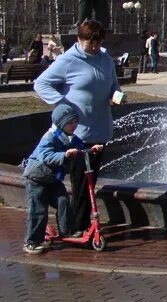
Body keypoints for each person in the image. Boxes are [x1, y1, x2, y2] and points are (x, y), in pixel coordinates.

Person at [32, 19, 118, 236]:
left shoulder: (105, 59)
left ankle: (76, 223)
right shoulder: (69, 60)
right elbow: (41, 83)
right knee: (80, 182)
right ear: (80, 40)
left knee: (90, 180)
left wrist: (117, 96)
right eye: (91, 43)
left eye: (98, 43)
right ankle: (76, 226)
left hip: (100, 127)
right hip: (77, 132)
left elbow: (113, 85)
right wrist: (63, 104)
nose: (95, 47)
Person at [21, 104, 98, 254]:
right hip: (36, 178)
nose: (74, 126)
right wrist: (64, 155)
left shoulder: (70, 137)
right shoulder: (50, 137)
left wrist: (91, 150)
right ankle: (32, 241)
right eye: (70, 123)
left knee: (63, 201)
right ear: (61, 123)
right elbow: (45, 156)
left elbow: (79, 147)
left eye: (76, 122)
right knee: (38, 210)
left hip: (53, 179)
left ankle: (67, 230)